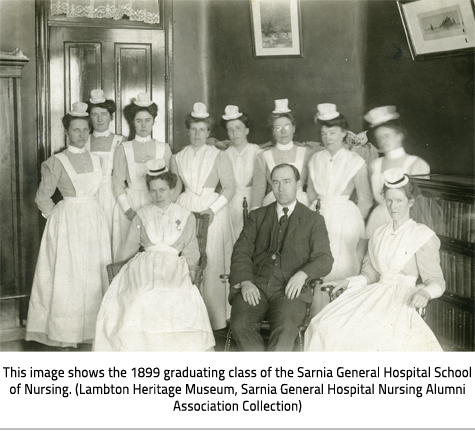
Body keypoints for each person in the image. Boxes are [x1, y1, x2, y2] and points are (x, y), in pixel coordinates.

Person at [305, 168, 445, 351]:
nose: (393, 206)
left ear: (410, 202)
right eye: (389, 200)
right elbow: (370, 275)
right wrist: (346, 281)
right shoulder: (379, 234)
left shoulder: (422, 236)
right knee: (326, 325)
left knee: (372, 338)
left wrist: (425, 293)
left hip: (403, 300)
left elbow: (436, 280)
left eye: (398, 201)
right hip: (375, 294)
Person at [94, 160, 215, 351]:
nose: (158, 195)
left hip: (174, 265)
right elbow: (128, 247)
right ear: (148, 191)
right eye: (153, 191)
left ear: (172, 189)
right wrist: (118, 267)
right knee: (141, 294)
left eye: (163, 190)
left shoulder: (185, 215)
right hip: (144, 264)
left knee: (176, 293)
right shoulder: (141, 215)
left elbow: (192, 249)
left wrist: (192, 269)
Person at [25, 102, 111, 348]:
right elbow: (42, 197)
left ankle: (92, 330)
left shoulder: (96, 160)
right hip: (68, 222)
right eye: (76, 130)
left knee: (93, 273)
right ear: (67, 132)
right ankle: (66, 332)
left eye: (85, 129)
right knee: (69, 275)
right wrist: (58, 219)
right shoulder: (57, 161)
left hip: (94, 219)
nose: (82, 134)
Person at [229, 163, 333, 351]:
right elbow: (240, 252)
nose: (281, 188)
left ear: (297, 184)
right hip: (256, 286)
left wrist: (303, 274)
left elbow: (324, 258)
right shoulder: (257, 216)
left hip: (290, 290)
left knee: (285, 328)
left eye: (286, 182)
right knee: (240, 324)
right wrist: (245, 281)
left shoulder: (313, 219)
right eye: (276, 182)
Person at [170, 102, 236, 331]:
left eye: (202, 130)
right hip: (186, 208)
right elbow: (175, 190)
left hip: (212, 211)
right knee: (189, 260)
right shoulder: (178, 157)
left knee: (213, 259)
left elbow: (229, 188)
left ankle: (216, 320)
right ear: (188, 131)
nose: (197, 134)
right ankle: (190, 319)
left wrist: (212, 210)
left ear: (208, 132)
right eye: (193, 130)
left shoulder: (218, 155)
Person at [307, 104, 373, 315]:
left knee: (342, 266)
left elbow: (365, 199)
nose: (328, 137)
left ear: (344, 133)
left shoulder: (355, 161)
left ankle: (340, 319)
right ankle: (318, 319)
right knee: (317, 266)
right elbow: (310, 194)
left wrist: (350, 219)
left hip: (345, 219)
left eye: (333, 132)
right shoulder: (316, 158)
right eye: (324, 133)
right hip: (318, 215)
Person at [112, 92, 172, 259]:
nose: (143, 125)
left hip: (155, 201)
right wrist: (127, 210)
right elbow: (117, 182)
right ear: (133, 122)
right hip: (131, 204)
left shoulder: (163, 148)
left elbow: (170, 182)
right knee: (128, 249)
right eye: (139, 121)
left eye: (147, 120)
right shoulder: (124, 148)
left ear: (153, 121)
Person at [364, 106, 430, 239]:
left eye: (387, 136)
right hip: (378, 220)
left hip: (405, 222)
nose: (383, 141)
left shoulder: (416, 164)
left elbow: (420, 204)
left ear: (400, 135)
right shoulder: (374, 165)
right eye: (379, 138)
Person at [251, 99, 313, 210]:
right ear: (273, 131)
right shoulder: (263, 156)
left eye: (287, 126)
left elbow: (313, 185)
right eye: (278, 128)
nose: (283, 132)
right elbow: (258, 189)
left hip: (302, 205)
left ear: (293, 128)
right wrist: (255, 214)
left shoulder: (306, 153)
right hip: (273, 204)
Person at [85, 89, 124, 244]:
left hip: (113, 195)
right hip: (90, 195)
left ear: (112, 116)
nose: (100, 119)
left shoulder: (121, 140)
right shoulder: (84, 141)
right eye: (94, 115)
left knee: (113, 237)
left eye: (104, 114)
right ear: (89, 117)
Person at [221, 105, 262, 237]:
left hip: (252, 202)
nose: (234, 133)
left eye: (238, 128)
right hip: (230, 204)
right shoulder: (224, 155)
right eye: (230, 130)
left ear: (247, 130)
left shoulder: (257, 152)